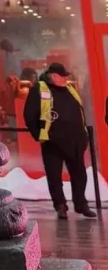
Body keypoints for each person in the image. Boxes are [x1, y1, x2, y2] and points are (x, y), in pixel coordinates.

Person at [23, 62, 96, 220]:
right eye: (62, 76)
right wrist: (38, 135)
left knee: (80, 175)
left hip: (74, 141)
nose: (65, 79)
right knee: (54, 177)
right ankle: (60, 205)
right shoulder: (40, 89)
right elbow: (29, 114)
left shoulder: (70, 89)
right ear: (54, 76)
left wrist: (83, 136)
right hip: (52, 142)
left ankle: (81, 204)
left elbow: (80, 112)